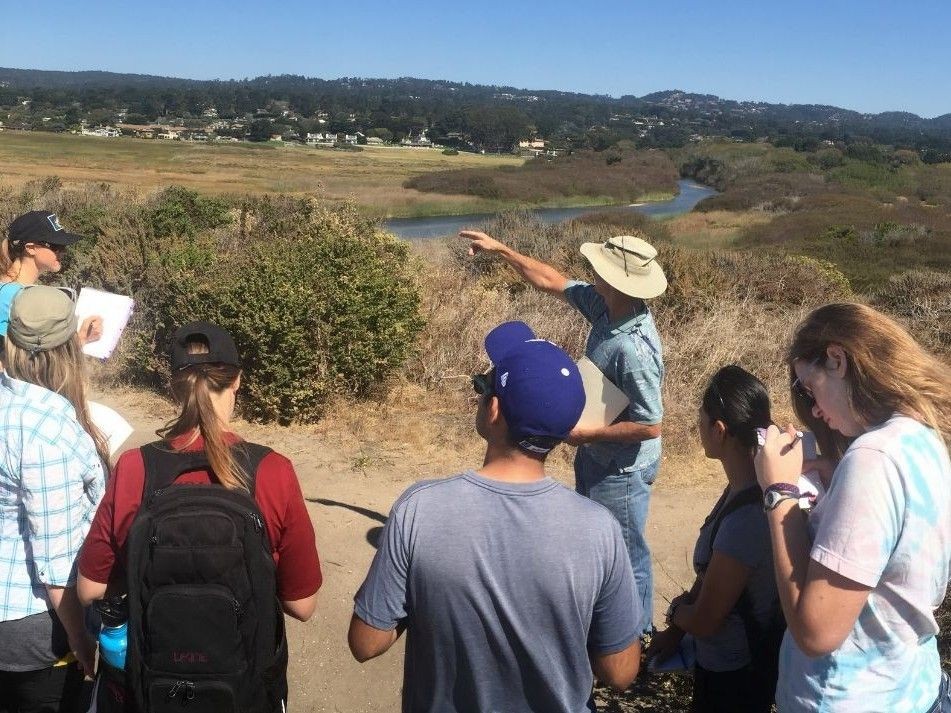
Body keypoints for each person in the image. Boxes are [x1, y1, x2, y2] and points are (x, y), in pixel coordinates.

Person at [349, 321, 642, 713]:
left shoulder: (419, 509)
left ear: (494, 410)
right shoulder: (599, 529)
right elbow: (620, 672)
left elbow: (366, 643)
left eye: (482, 386)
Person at [77, 321, 322, 709]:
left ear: (174, 387)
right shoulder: (272, 471)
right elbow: (302, 606)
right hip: (244, 693)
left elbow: (89, 589)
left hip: (153, 689)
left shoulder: (135, 467)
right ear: (237, 380)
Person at [461, 229, 665, 636]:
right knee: (597, 542)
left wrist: (589, 435)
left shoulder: (633, 350)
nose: (592, 271)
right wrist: (502, 249)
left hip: (621, 469)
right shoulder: (606, 305)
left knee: (626, 554)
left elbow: (650, 425)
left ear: (614, 280)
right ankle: (600, 623)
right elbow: (550, 280)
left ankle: (636, 637)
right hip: (599, 454)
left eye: (600, 268)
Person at [754, 302, 951, 712]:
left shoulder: (873, 460)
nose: (814, 410)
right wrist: (838, 479)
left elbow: (816, 633)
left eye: (809, 388)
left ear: (837, 360)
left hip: (850, 699)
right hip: (913, 688)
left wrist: (779, 492)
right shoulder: (923, 436)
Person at [647, 365, 781, 713]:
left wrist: (676, 612)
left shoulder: (746, 520)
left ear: (719, 430)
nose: (699, 429)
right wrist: (676, 633)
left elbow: (705, 621)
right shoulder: (742, 488)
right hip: (725, 670)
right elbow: (712, 574)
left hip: (735, 684)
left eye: (701, 422)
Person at [0, 286, 107, 712]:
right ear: (68, 351)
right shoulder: (46, 427)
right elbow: (55, 561)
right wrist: (81, 641)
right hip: (35, 629)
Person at [1, 211, 101, 345]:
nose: (63, 252)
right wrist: (81, 339)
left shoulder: (9, 288)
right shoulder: (14, 297)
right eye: (56, 246)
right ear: (31, 248)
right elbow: (27, 355)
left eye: (63, 246)